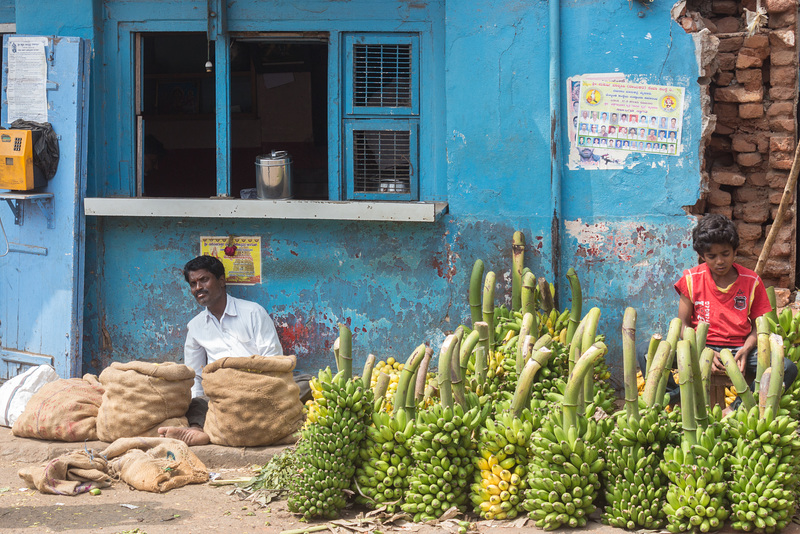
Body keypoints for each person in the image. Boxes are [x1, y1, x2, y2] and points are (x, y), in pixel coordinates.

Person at [159, 255, 312, 445]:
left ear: (221, 281)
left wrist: (256, 388)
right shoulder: (196, 327)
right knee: (195, 400)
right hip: (223, 394)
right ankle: (197, 429)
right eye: (193, 283)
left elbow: (274, 360)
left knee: (308, 383)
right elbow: (195, 376)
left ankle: (229, 420)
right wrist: (198, 403)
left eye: (204, 280)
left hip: (259, 388)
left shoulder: (253, 312)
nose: (198, 287)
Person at [664, 215, 797, 407]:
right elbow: (684, 324)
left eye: (725, 254)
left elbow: (758, 327)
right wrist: (703, 350)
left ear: (735, 251)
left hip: (739, 350)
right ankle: (676, 399)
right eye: (712, 256)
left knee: (787, 367)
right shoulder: (691, 279)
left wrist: (747, 348)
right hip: (700, 348)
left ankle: (736, 408)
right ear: (702, 255)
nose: (719, 261)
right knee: (646, 351)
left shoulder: (751, 281)